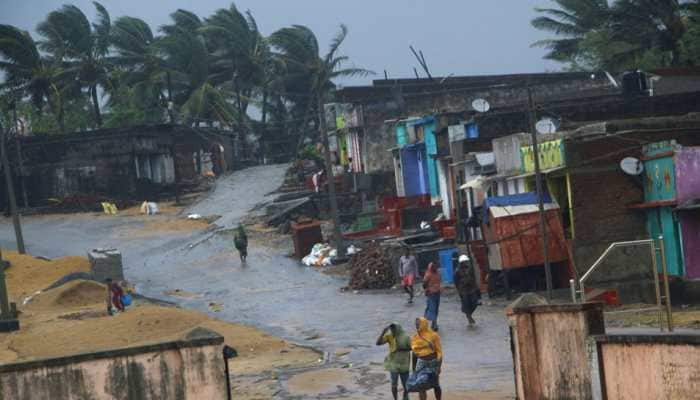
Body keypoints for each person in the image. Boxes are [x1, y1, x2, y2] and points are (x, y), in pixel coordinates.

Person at [376, 323, 411, 400]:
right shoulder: (389, 336)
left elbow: (412, 348)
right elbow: (378, 343)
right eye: (391, 329)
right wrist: (383, 332)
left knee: (406, 385)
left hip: (404, 364)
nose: (392, 330)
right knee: (394, 384)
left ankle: (405, 398)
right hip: (393, 363)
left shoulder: (406, 337)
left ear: (398, 329)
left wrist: (400, 349)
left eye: (394, 329)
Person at [410, 317, 443, 400]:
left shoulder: (434, 335)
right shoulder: (415, 337)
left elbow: (439, 352)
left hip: (433, 362)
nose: (417, 325)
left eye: (418, 323)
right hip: (421, 362)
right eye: (416, 324)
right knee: (421, 386)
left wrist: (439, 366)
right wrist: (414, 369)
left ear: (424, 324)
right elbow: (414, 353)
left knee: (436, 384)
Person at [454, 254, 481, 325]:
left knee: (474, 302)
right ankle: (469, 316)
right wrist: (459, 290)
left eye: (466, 261)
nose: (465, 263)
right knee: (466, 304)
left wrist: (476, 286)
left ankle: (469, 314)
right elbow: (456, 282)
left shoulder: (469, 269)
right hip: (463, 290)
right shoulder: (457, 271)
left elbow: (473, 278)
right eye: (464, 261)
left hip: (471, 288)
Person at [423, 262, 441, 331]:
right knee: (432, 308)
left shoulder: (438, 273)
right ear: (430, 267)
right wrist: (427, 290)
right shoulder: (428, 275)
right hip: (431, 294)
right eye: (433, 267)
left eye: (435, 266)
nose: (434, 268)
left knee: (435, 308)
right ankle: (433, 324)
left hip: (437, 293)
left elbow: (439, 281)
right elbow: (424, 284)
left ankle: (433, 323)